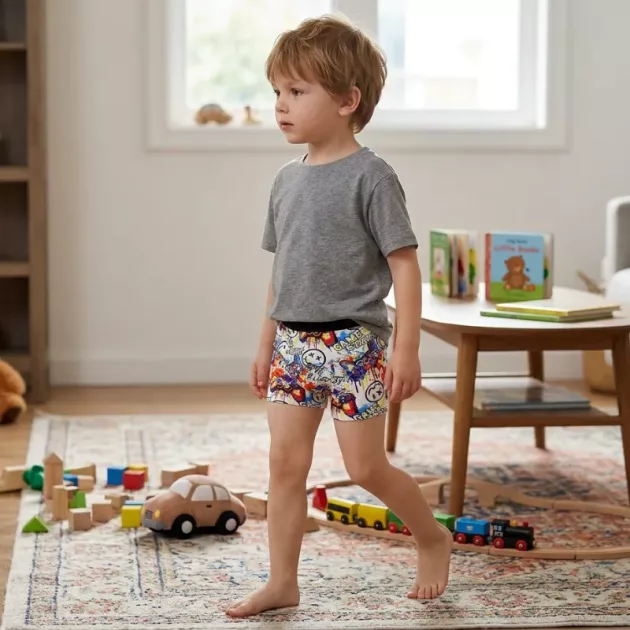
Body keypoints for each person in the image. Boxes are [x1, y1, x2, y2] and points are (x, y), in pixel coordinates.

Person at [226, 14, 452, 619]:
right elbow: (282, 272)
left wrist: (406, 348)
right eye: (277, 90)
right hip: (292, 345)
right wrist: (264, 343)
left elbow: (405, 267)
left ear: (348, 101)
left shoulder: (373, 177)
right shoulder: (285, 181)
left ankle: (432, 537)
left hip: (354, 344)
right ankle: (282, 581)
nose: (281, 104)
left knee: (366, 467)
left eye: (297, 91)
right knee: (284, 464)